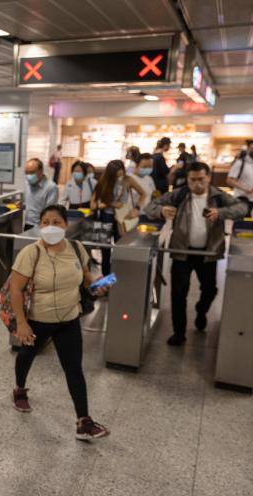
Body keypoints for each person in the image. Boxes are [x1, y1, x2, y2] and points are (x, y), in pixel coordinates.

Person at [9, 204, 110, 440]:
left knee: (73, 368)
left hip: (69, 318)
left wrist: (98, 286)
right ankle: (19, 389)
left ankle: (83, 421)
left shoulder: (76, 248)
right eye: (45, 222)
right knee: (27, 355)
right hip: (38, 319)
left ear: (66, 225)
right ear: (39, 225)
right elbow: (15, 289)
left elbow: (85, 279)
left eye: (56, 222)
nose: (51, 227)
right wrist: (22, 324)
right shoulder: (30, 253)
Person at [144, 162, 246, 346]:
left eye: (201, 179)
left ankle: (201, 310)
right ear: (188, 180)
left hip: (208, 253)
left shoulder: (218, 196)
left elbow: (241, 209)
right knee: (178, 294)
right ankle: (179, 332)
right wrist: (161, 211)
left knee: (210, 290)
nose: (197, 184)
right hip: (181, 252)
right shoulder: (180, 194)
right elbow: (149, 207)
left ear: (208, 178)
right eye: (193, 180)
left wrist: (220, 212)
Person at [91, 160, 147, 276]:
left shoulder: (128, 179)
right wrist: (109, 203)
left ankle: (119, 280)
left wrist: (137, 208)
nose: (119, 176)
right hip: (105, 217)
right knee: (105, 251)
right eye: (116, 174)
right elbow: (93, 205)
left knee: (120, 249)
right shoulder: (103, 182)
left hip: (122, 218)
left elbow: (143, 194)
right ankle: (107, 281)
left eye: (121, 173)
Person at [23, 158, 58, 230]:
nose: (28, 176)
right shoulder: (27, 184)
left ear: (41, 171)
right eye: (26, 173)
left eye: (31, 172)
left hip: (41, 226)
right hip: (27, 224)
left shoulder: (51, 187)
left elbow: (50, 212)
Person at [226, 139, 253, 216]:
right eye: (252, 148)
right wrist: (246, 189)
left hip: (252, 200)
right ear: (248, 149)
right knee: (241, 225)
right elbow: (229, 180)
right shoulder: (240, 163)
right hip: (242, 199)